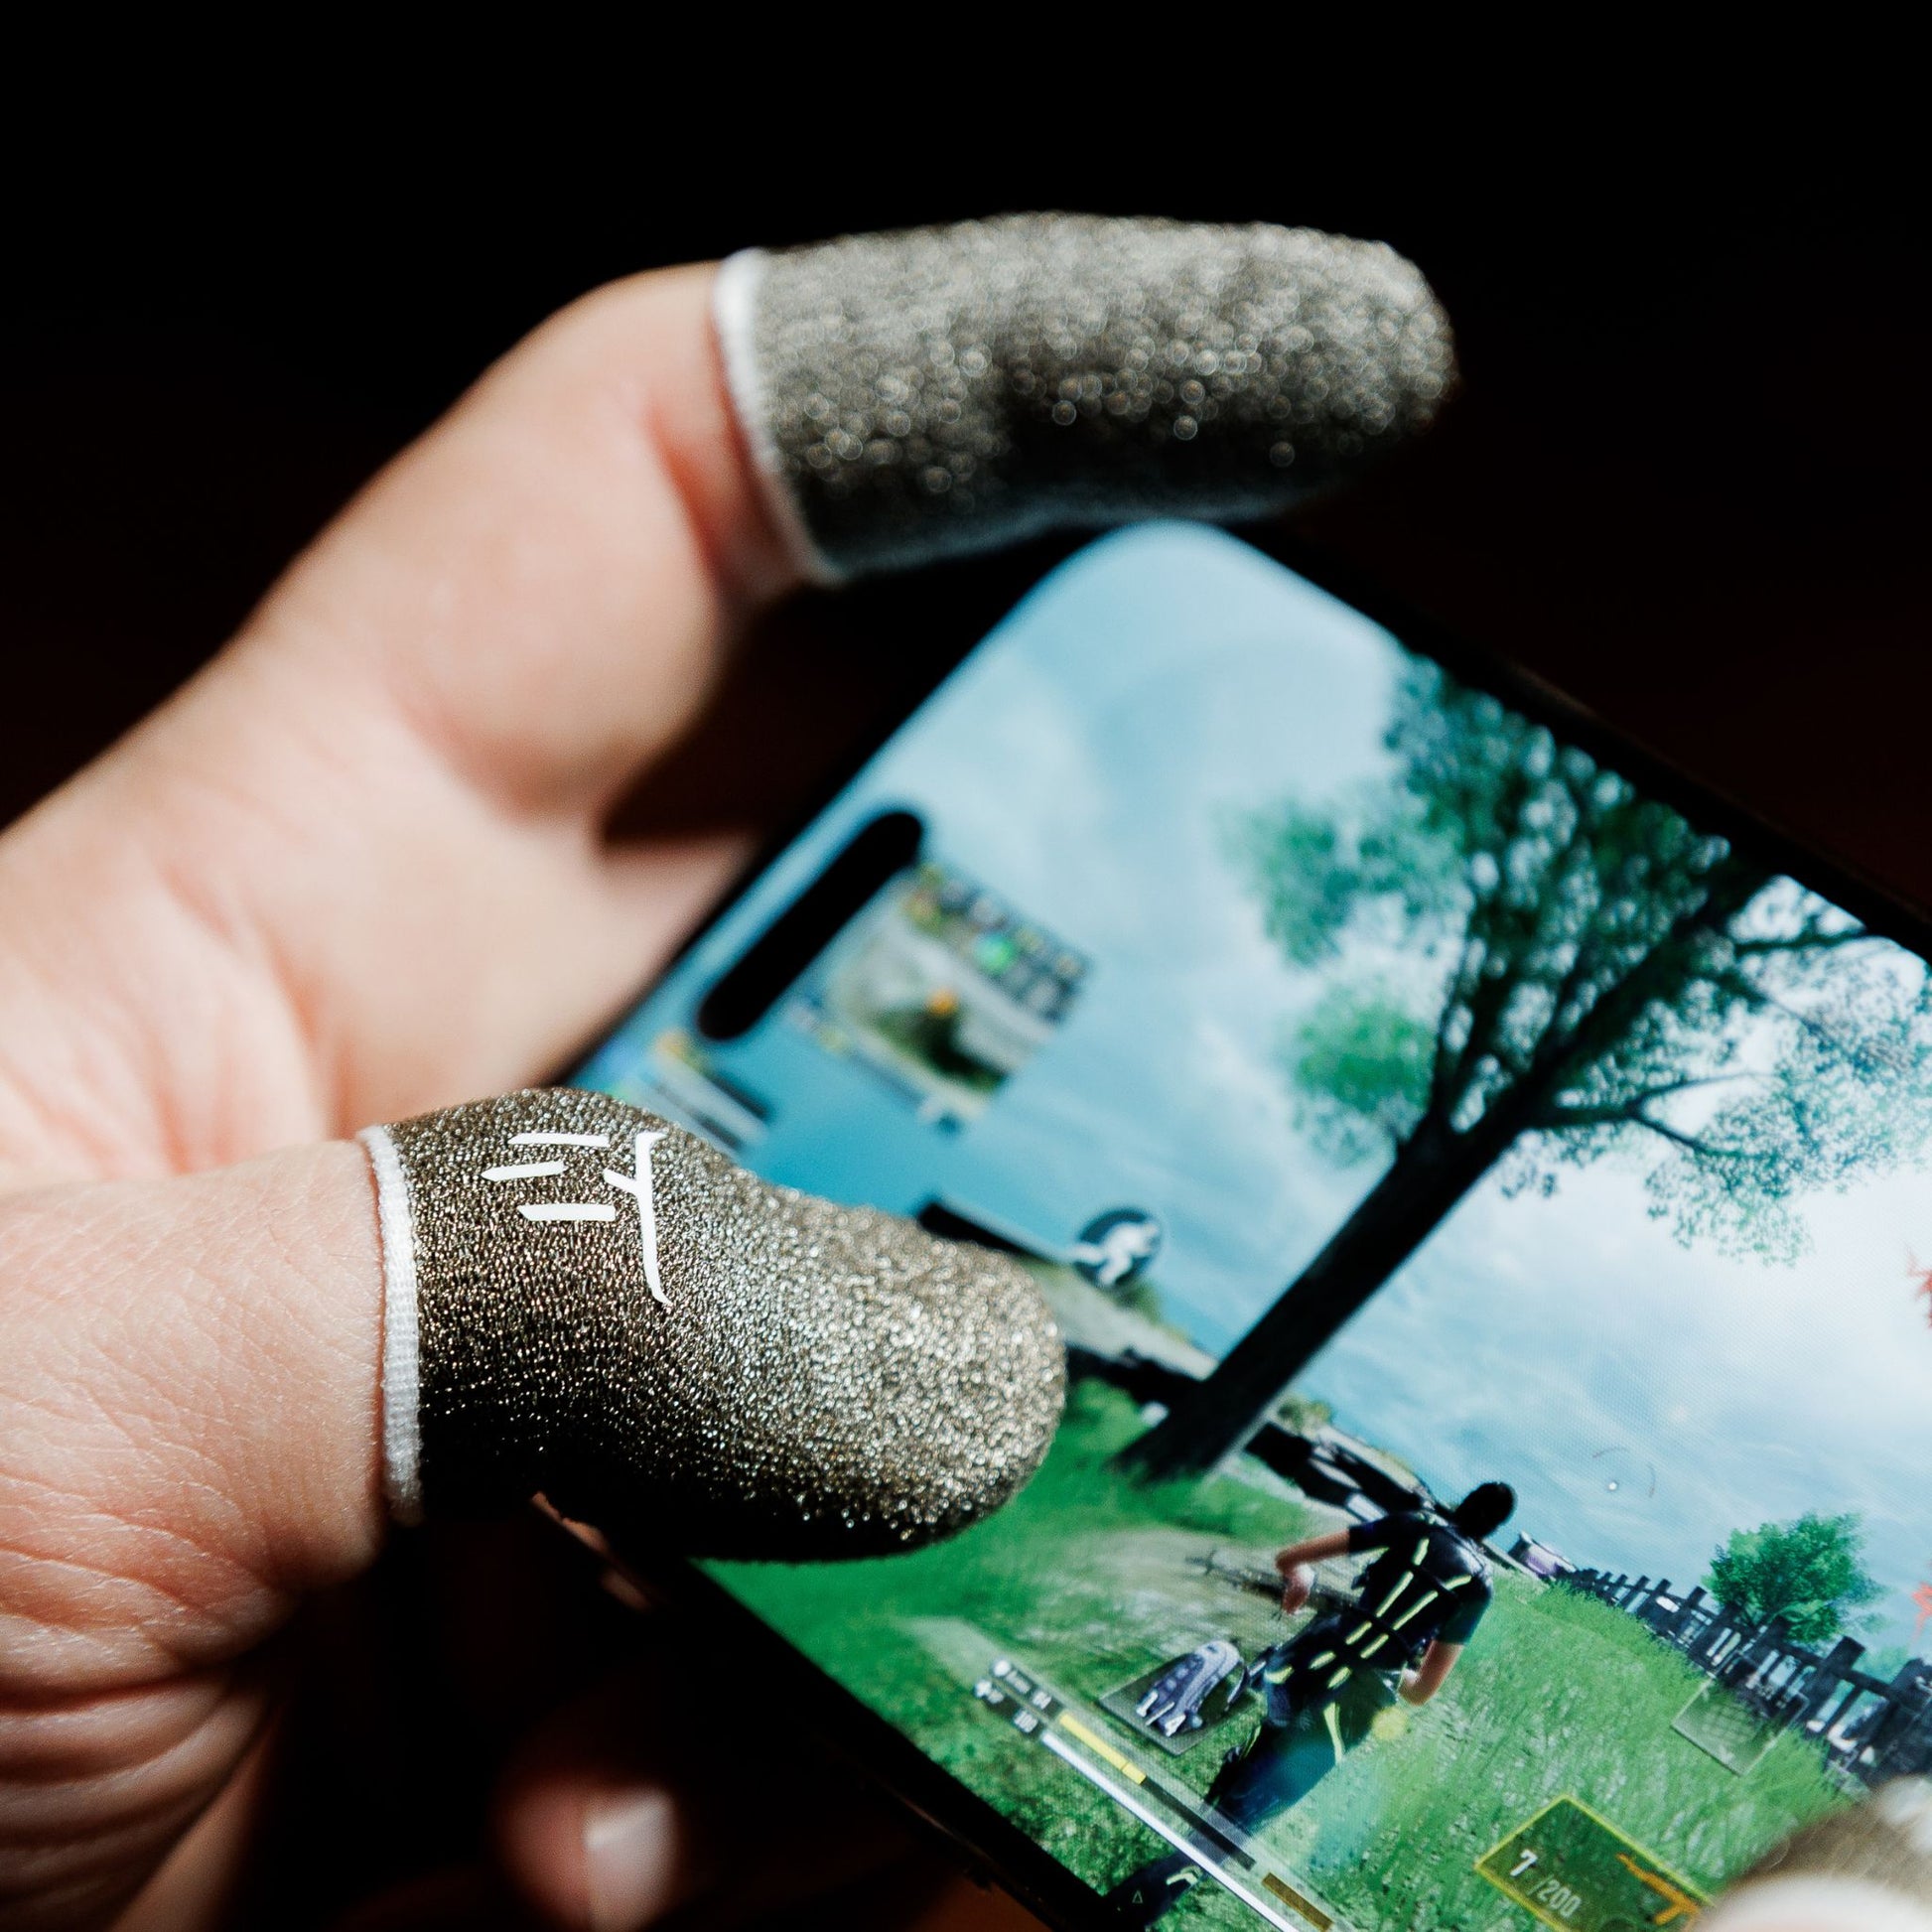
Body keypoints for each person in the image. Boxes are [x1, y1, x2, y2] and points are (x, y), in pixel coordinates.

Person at [1107, 1483, 1516, 1927]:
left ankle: (1176, 1853)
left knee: (1250, 1765)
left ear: (1464, 1502)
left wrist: (1302, 1581)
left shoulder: (1414, 1526)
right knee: (1250, 1813)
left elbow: (1291, 1558)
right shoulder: (1478, 1587)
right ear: (1494, 1530)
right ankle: (1137, 1905)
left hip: (1305, 1665)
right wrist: (1397, 1664)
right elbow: (1421, 1692)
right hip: (1353, 1704)